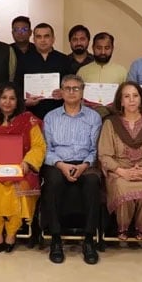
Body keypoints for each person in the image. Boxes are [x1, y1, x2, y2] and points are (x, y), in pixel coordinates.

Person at [0, 82, 45, 253]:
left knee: (19, 189)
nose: (7, 102)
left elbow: (38, 147)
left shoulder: (29, 121)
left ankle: (11, 231)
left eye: (12, 98)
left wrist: (27, 163)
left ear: (18, 101)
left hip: (21, 169)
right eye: (3, 98)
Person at [41, 74, 102, 264]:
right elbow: (46, 150)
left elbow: (95, 150)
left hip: (85, 162)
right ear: (61, 91)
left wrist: (84, 165)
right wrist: (61, 165)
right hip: (58, 162)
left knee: (93, 182)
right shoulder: (50, 117)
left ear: (83, 92)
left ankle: (89, 239)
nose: (72, 92)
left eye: (76, 88)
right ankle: (56, 239)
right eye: (67, 88)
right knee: (53, 181)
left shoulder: (94, 117)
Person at [98, 81, 142, 241]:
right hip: (119, 170)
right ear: (120, 101)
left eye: (135, 96)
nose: (131, 100)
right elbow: (104, 155)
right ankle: (123, 227)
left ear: (141, 99)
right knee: (122, 187)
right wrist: (122, 172)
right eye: (127, 96)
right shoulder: (111, 123)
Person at [14, 23, 71, 119]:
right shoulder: (23, 60)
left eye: (46, 36)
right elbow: (16, 87)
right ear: (34, 40)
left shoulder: (64, 60)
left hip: (59, 114)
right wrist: (24, 102)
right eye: (39, 37)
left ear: (53, 39)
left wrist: (64, 92)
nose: (43, 40)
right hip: (31, 115)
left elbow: (71, 86)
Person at [77, 32, 127, 119]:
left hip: (114, 120)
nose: (103, 52)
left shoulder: (122, 71)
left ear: (112, 48)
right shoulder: (82, 71)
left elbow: (126, 99)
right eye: (99, 48)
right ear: (93, 48)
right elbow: (76, 97)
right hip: (86, 119)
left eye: (107, 48)